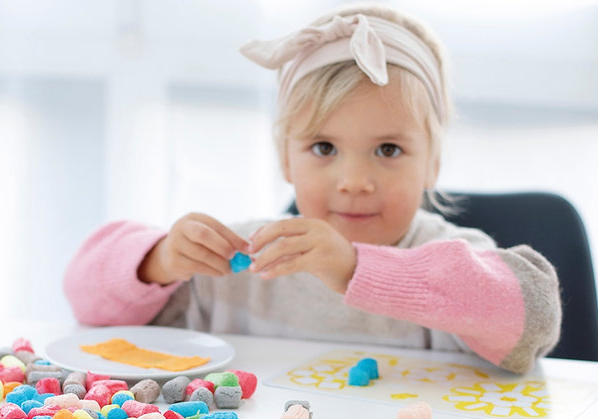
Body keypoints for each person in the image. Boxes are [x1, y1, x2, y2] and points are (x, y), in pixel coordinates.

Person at [64, 4, 561, 375]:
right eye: (324, 148)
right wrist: (158, 260)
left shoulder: (451, 259)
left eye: (387, 150)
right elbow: (85, 300)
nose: (354, 182)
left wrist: (354, 268)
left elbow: (535, 319)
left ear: (433, 162)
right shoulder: (242, 265)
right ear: (285, 158)